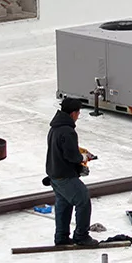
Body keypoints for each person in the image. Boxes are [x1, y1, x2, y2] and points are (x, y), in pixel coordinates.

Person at [45, 98, 98, 246]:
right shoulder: (67, 131)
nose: (78, 116)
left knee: (64, 204)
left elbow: (61, 151)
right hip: (65, 175)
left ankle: (61, 237)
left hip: (54, 173)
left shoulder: (55, 127)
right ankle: (81, 236)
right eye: (78, 113)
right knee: (83, 200)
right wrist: (83, 157)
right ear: (73, 113)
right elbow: (71, 155)